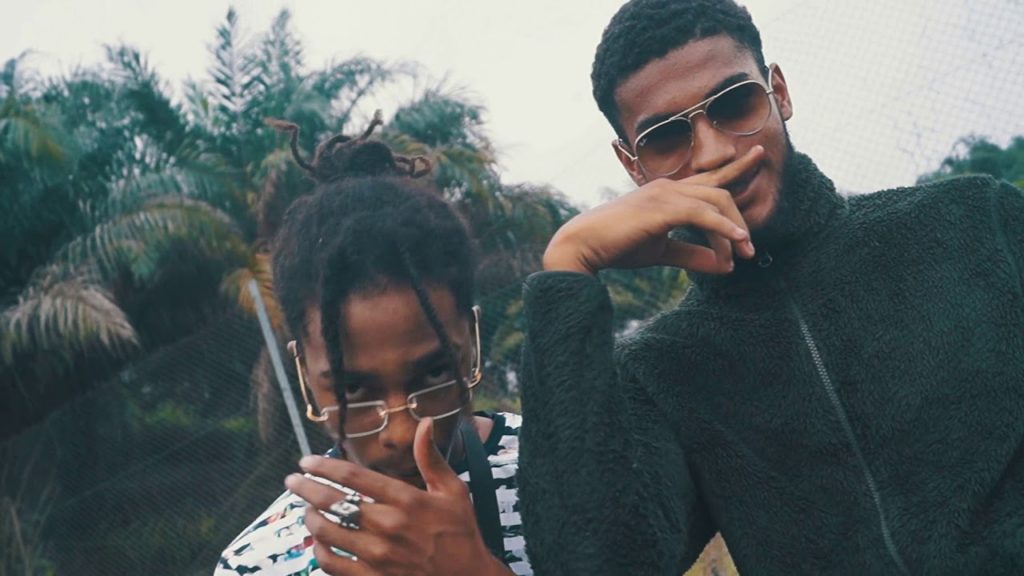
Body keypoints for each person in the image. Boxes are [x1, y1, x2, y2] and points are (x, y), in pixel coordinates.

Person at [517, 0, 1024, 574]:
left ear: (778, 92)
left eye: (735, 103)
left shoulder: (974, 223)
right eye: (665, 137)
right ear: (633, 165)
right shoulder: (661, 370)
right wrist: (569, 267)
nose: (714, 152)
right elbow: (595, 564)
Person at [215, 116, 531, 576]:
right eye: (353, 390)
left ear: (471, 340)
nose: (402, 433)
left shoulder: (574, 473)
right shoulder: (258, 564)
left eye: (434, 373)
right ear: (305, 375)